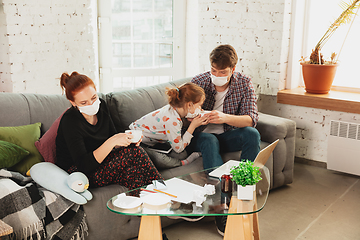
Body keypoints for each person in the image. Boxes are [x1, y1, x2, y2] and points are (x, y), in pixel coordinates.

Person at [189, 44, 261, 236]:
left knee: (252, 135)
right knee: (210, 141)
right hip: (202, 136)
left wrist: (224, 117)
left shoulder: (244, 83)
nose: (217, 75)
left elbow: (251, 119)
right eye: (214, 70)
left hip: (227, 135)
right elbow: (180, 114)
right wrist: (197, 117)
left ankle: (242, 188)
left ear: (233, 70)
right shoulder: (199, 82)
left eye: (222, 72)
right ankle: (223, 205)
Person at [55, 71, 162, 194]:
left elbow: (113, 139)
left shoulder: (102, 106)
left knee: (132, 174)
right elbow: (83, 165)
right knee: (135, 153)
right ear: (72, 102)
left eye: (94, 98)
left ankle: (153, 207)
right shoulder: (70, 121)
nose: (91, 104)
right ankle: (163, 190)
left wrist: (127, 139)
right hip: (79, 174)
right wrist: (112, 141)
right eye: (84, 103)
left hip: (102, 163)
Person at [129, 82, 209, 168]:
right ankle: (182, 163)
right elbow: (178, 148)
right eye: (199, 105)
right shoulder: (172, 120)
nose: (200, 109)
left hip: (154, 142)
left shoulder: (175, 109)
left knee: (182, 155)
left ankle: (179, 160)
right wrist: (193, 126)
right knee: (160, 159)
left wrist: (190, 120)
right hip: (138, 142)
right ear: (189, 104)